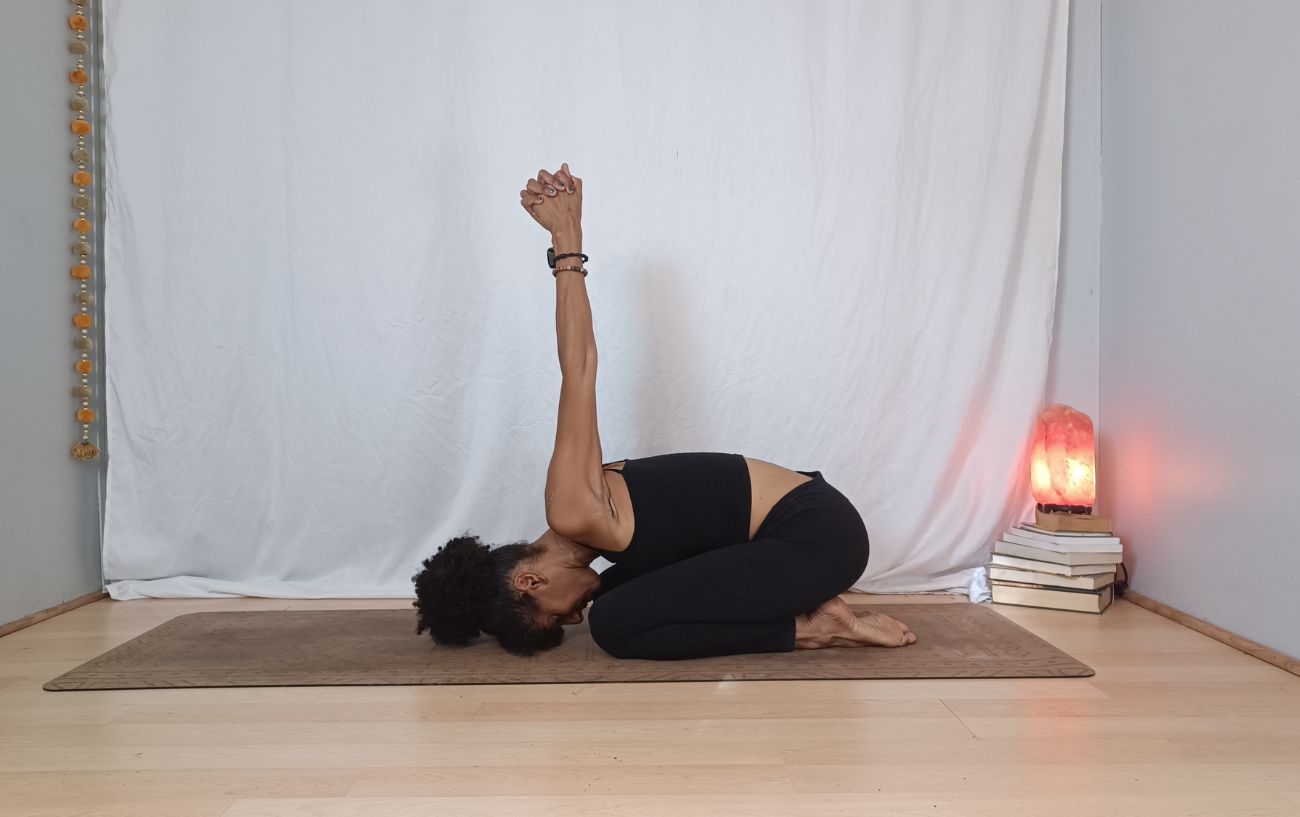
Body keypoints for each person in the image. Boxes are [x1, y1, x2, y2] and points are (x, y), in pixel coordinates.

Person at [412, 163, 917, 659]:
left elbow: (579, 369)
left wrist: (567, 242)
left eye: (551, 615)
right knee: (616, 600)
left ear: (529, 579)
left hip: (816, 538)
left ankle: (815, 629)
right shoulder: (591, 532)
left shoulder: (572, 508)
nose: (571, 620)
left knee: (614, 626)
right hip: (800, 530)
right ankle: (807, 615)